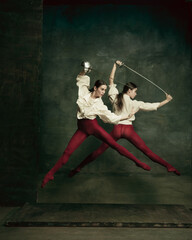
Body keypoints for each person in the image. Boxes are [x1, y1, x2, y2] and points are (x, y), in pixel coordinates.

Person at [41, 62, 151, 188]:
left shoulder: (100, 105)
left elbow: (111, 117)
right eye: (102, 89)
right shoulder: (83, 92)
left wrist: (127, 116)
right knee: (67, 153)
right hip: (81, 129)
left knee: (113, 144)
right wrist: (85, 69)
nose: (104, 92)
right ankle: (50, 174)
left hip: (93, 127)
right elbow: (81, 78)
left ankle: (137, 162)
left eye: (105, 90)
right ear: (95, 88)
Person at [69, 60, 180, 177]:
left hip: (117, 129)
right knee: (147, 151)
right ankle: (169, 166)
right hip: (128, 130)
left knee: (99, 151)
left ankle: (78, 168)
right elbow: (153, 106)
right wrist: (166, 100)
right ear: (129, 90)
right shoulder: (135, 103)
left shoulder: (115, 97)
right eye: (135, 91)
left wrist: (115, 65)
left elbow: (111, 80)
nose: (135, 94)